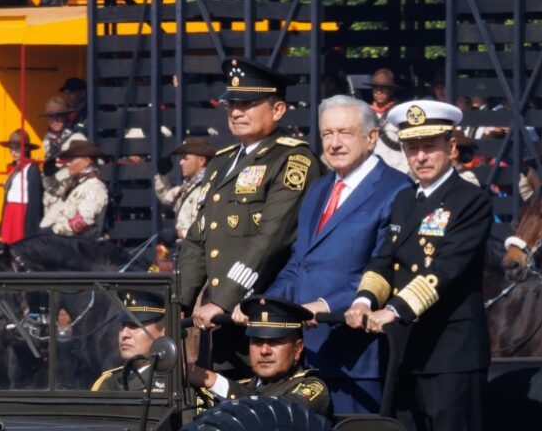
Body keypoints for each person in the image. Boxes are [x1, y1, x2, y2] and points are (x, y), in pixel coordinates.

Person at [260, 95, 412, 414]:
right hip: (309, 356)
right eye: (327, 134)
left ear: (372, 137)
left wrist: (326, 305)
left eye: (345, 132)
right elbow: (299, 263)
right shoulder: (319, 189)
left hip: (357, 358)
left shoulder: (396, 189)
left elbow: (384, 268)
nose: (335, 143)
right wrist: (268, 304)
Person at [345, 100, 492, 431]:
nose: (421, 157)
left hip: (452, 353)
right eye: (412, 149)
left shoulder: (471, 201)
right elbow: (384, 259)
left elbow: (444, 269)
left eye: (429, 147)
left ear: (451, 146)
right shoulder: (404, 199)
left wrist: (392, 311)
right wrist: (364, 300)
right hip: (406, 349)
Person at [178, 56, 322, 380]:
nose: (237, 111)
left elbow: (270, 239)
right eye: (232, 104)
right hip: (218, 321)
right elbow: (199, 239)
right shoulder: (221, 163)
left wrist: (226, 301)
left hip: (262, 319)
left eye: (249, 103)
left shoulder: (292, 159)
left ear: (278, 110)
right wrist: (179, 303)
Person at [188, 295, 331, 417]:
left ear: (298, 348)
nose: (264, 350)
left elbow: (279, 415)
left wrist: (214, 381)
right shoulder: (244, 385)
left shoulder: (312, 386)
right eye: (257, 341)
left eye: (275, 342)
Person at [91, 291, 167, 392]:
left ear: (163, 332)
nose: (124, 334)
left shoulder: (171, 384)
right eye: (123, 326)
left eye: (135, 326)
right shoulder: (110, 382)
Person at [39, 140, 109, 239]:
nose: (67, 164)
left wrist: (54, 231)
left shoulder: (94, 186)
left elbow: (83, 221)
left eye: (71, 160)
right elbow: (55, 191)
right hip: (71, 243)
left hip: (83, 248)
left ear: (87, 161)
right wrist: (48, 175)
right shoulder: (76, 182)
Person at [155, 137, 216, 240]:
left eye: (185, 158)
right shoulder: (189, 187)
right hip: (187, 251)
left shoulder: (207, 189)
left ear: (201, 161)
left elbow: (205, 230)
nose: (181, 162)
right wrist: (162, 175)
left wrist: (180, 233)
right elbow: (166, 198)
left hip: (197, 252)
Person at [40, 96, 88, 214]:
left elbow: (86, 166)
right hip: (51, 193)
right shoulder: (47, 139)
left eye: (59, 117)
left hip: (69, 194)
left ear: (66, 117)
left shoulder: (77, 138)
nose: (55, 121)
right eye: (51, 117)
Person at [0, 129, 44, 244]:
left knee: (20, 244)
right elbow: (7, 197)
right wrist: (2, 220)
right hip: (10, 211)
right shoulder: (12, 169)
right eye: (11, 148)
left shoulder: (31, 168)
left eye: (17, 148)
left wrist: (32, 227)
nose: (13, 152)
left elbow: (34, 198)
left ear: (26, 149)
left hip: (22, 212)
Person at [367, 68, 409, 174]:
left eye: (383, 88)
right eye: (375, 87)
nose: (379, 91)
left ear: (391, 90)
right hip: (370, 169)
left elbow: (407, 143)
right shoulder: (364, 113)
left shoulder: (400, 113)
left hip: (397, 168)